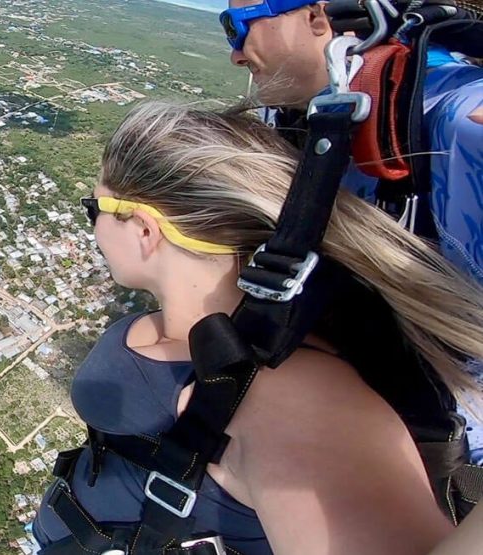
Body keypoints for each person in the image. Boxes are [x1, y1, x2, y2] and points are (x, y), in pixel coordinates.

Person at [32, 102, 483, 554]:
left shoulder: (291, 401)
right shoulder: (210, 344)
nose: (92, 225)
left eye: (95, 208)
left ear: (145, 229)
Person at [219, 0, 483, 461]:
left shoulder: (452, 118)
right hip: (363, 413)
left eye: (236, 29)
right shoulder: (297, 118)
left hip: (436, 446)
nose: (236, 55)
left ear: (317, 17)